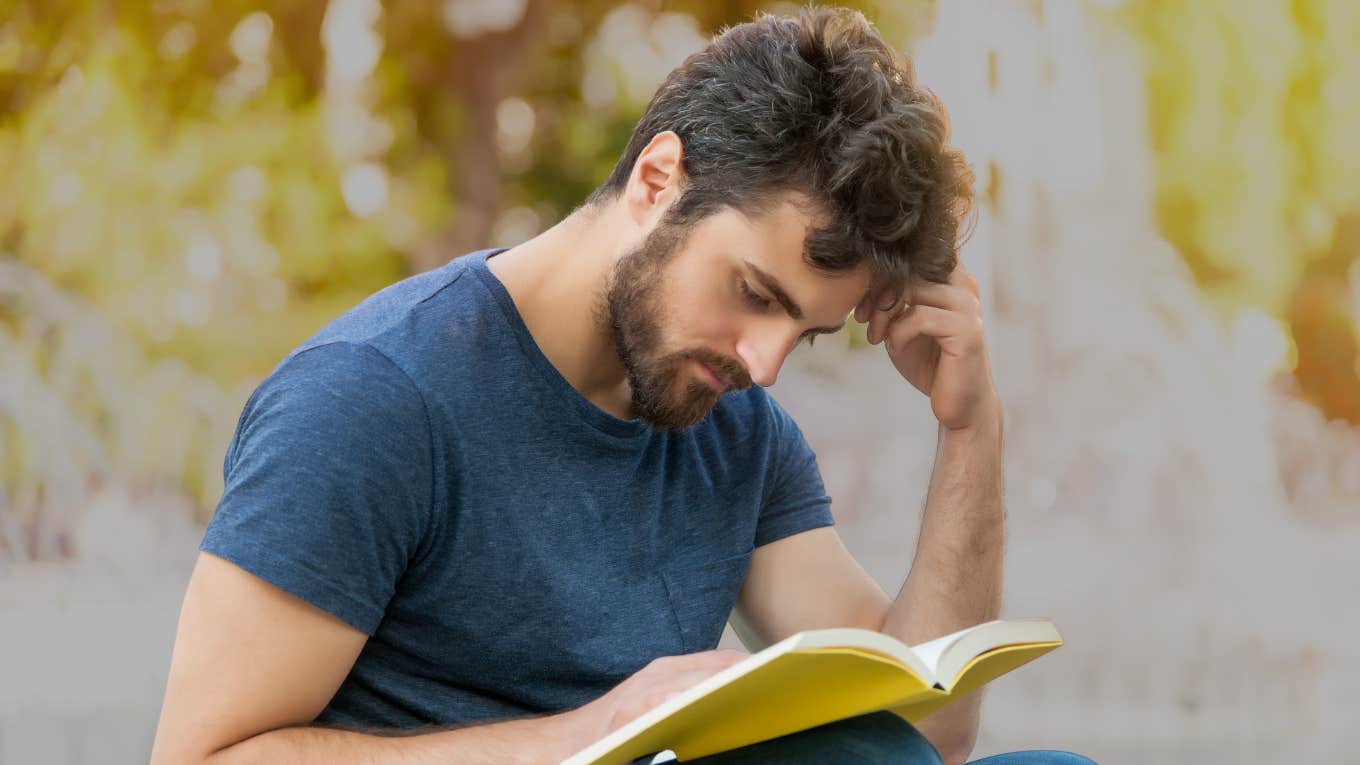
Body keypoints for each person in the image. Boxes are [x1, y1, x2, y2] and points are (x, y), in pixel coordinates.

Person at [150, 7, 1094, 765]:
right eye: (754, 294)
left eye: (801, 333)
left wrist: (969, 427)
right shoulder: (373, 399)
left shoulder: (733, 426)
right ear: (657, 180)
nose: (762, 365)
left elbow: (925, 728)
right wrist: (585, 735)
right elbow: (199, 756)